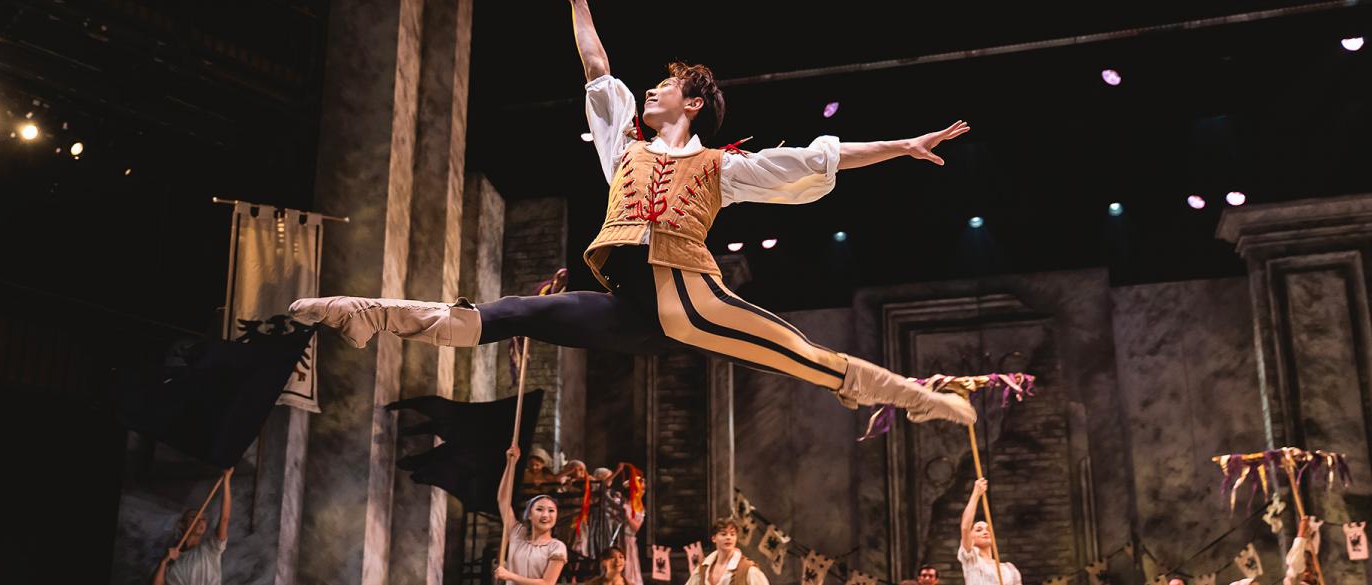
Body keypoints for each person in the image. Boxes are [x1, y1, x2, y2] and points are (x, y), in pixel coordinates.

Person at [287, 0, 977, 426]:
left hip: (694, 297)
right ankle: (365, 314)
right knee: (508, 315)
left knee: (807, 358)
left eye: (664, 86)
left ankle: (918, 398)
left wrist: (903, 145)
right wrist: (578, 2)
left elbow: (816, 159)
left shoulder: (721, 168)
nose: (650, 90)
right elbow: (596, 66)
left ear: (694, 103)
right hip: (637, 311)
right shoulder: (624, 150)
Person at [496, 445, 569, 585]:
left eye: (551, 510)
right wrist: (511, 463)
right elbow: (503, 500)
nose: (545, 515)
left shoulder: (556, 547)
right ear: (529, 514)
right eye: (540, 509)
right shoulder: (518, 534)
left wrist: (509, 575)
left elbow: (547, 583)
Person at [152, 468, 234, 585]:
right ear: (183, 524)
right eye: (194, 517)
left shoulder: (210, 548)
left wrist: (226, 481)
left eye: (203, 519)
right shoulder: (173, 561)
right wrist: (163, 563)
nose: (200, 521)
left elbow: (225, 519)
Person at [958, 478, 1022, 585]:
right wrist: (976, 494)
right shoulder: (972, 559)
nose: (985, 531)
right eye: (979, 530)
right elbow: (965, 527)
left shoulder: (1008, 569)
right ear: (971, 538)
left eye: (988, 529)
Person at [685, 518, 769, 585]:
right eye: (723, 534)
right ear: (714, 538)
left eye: (732, 534)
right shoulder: (703, 569)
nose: (728, 537)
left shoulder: (748, 569)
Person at [1283, 515, 1321, 585]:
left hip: (1296, 544)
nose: (1308, 575)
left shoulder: (1297, 566)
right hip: (1305, 546)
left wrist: (1304, 523)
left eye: (1306, 579)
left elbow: (1299, 540)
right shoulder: (1313, 552)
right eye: (1311, 580)